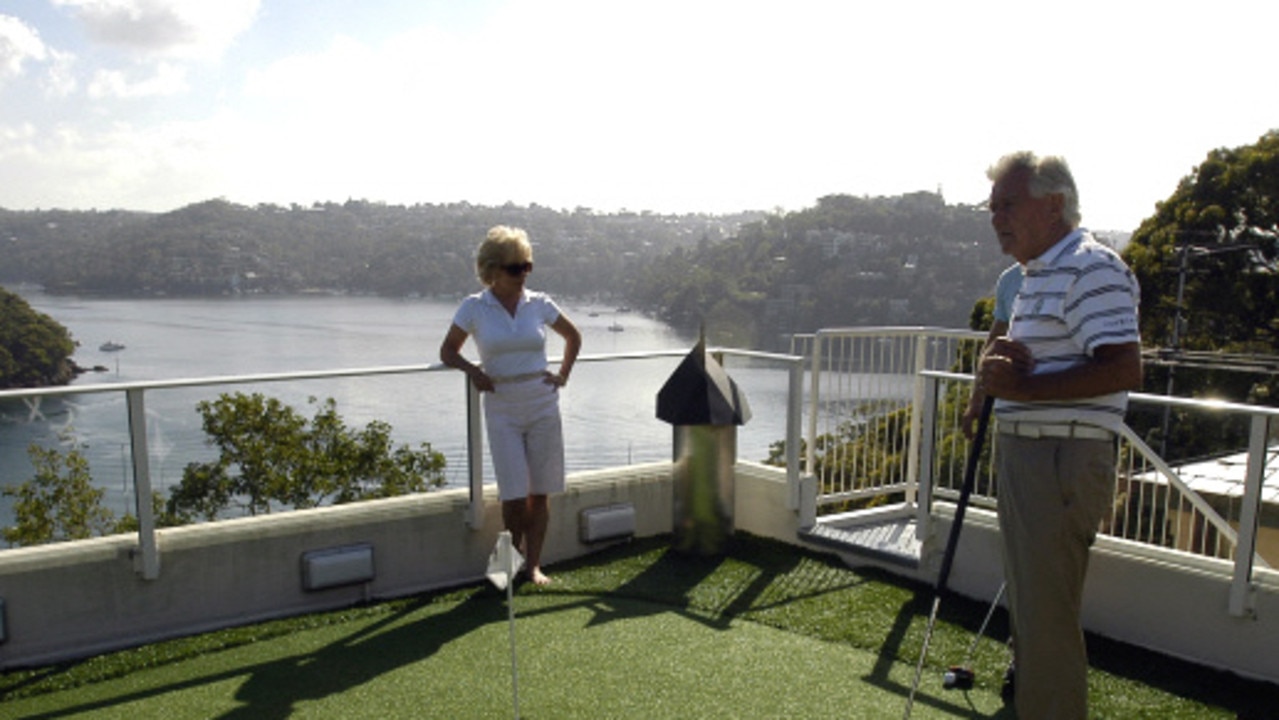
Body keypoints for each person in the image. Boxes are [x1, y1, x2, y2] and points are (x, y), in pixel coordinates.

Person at [976, 152, 1142, 719]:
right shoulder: (1038, 273)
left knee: (1045, 617)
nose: (996, 217)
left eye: (1007, 204)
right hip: (1035, 455)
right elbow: (1037, 363)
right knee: (1036, 610)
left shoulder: (1091, 267)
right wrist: (999, 370)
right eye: (992, 206)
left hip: (1059, 457)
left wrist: (1019, 391)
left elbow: (1122, 368)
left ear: (1052, 205)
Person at [439, 226, 582, 585]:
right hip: (501, 405)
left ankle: (532, 566)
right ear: (492, 270)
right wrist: (474, 372)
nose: (523, 274)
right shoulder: (475, 307)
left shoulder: (540, 304)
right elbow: (447, 351)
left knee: (540, 490)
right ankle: (508, 564)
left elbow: (573, 336)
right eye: (514, 268)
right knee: (514, 494)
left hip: (541, 400)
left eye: (527, 266)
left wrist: (562, 376)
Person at [961, 261, 1022, 439]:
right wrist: (976, 398)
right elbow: (994, 342)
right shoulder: (1010, 279)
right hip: (1014, 416)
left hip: (1072, 420)